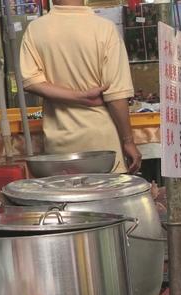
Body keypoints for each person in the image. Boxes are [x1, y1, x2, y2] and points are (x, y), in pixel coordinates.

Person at [19, 0, 142, 174]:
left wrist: (79, 96)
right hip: (103, 148)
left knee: (67, 200)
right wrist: (128, 141)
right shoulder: (104, 29)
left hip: (59, 147)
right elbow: (116, 96)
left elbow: (31, 82)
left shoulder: (35, 29)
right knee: (105, 200)